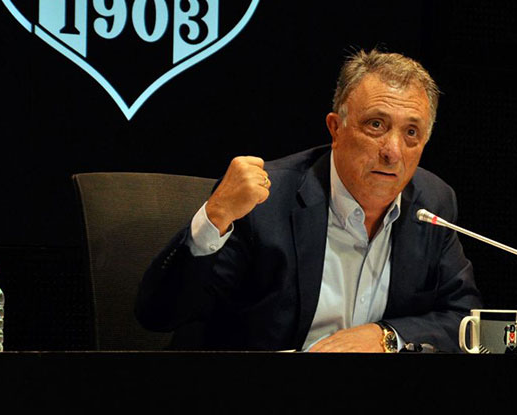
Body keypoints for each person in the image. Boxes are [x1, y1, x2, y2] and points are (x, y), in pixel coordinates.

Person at [135, 49, 482, 352]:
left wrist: (387, 337)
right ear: (335, 128)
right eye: (376, 125)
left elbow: (466, 322)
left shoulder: (433, 203)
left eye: (411, 133)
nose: (393, 151)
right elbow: (159, 315)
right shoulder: (266, 202)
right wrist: (214, 218)